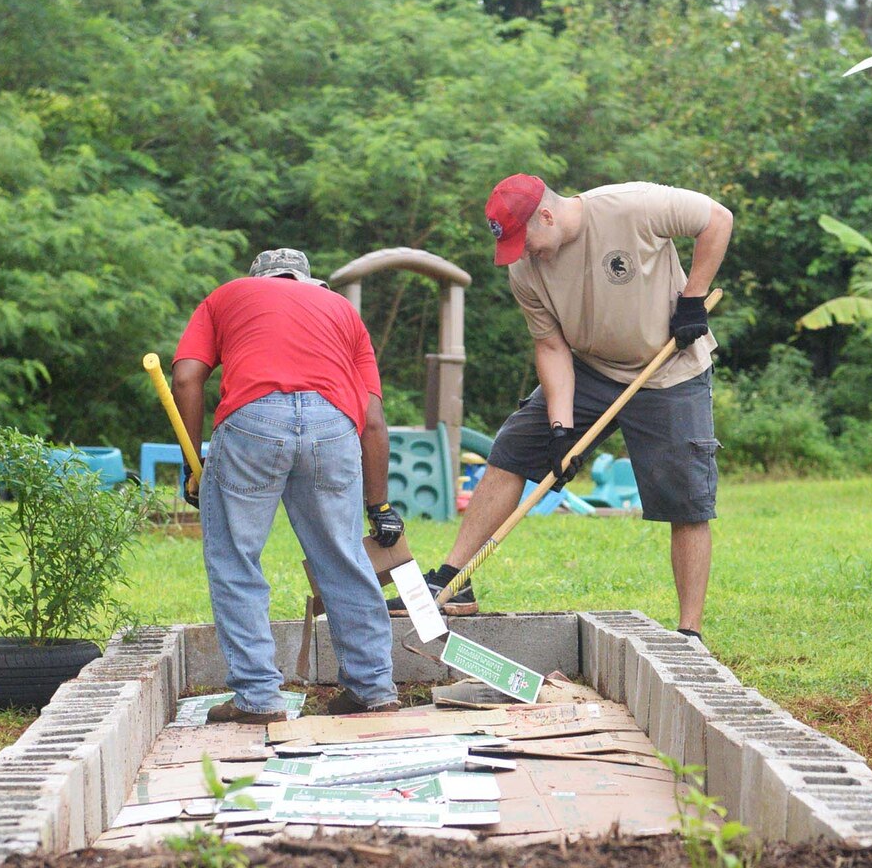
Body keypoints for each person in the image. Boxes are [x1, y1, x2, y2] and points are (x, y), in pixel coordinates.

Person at [395, 174, 733, 641]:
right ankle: (454, 577)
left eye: (525, 240)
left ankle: (689, 631)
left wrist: (692, 299)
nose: (524, 254)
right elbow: (551, 348)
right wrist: (559, 430)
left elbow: (718, 219)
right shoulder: (525, 270)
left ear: (547, 216)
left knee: (687, 500)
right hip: (590, 369)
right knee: (513, 449)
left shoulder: (632, 205)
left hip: (669, 368)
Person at [172, 248, 407, 724]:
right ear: (307, 281)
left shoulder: (227, 296)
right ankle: (373, 689)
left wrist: (194, 461)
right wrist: (379, 505)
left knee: (236, 558)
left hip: (253, 419)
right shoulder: (343, 311)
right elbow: (374, 420)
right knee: (343, 557)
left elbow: (185, 378)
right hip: (333, 426)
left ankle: (258, 699)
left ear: (257, 279)